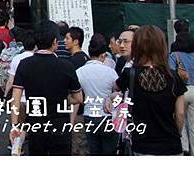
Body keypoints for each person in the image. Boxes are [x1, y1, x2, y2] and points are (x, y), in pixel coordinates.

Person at [10, 20, 83, 156]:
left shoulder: (24, 64)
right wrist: (64, 98)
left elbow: (15, 99)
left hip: (36, 125)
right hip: (60, 126)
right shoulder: (66, 66)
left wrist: (15, 126)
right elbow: (78, 98)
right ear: (55, 41)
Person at [115, 25, 186, 156]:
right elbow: (180, 113)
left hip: (142, 145)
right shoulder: (174, 76)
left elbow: (116, 89)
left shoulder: (129, 74)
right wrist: (177, 133)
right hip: (171, 145)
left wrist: (112, 97)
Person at [76, 34, 119, 155]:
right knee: (109, 153)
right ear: (103, 55)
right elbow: (118, 92)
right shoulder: (110, 72)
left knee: (94, 152)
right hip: (107, 116)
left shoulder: (79, 72)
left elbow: (75, 93)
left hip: (89, 115)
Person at [169, 32, 194, 155]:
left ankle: (184, 148)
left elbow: (171, 74)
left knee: (180, 119)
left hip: (181, 91)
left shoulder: (174, 55)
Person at [66, 26, 90, 155]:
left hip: (76, 112)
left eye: (67, 38)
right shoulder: (86, 58)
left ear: (76, 41)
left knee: (77, 147)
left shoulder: (73, 62)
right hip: (85, 109)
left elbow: (74, 91)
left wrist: (71, 118)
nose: (65, 41)